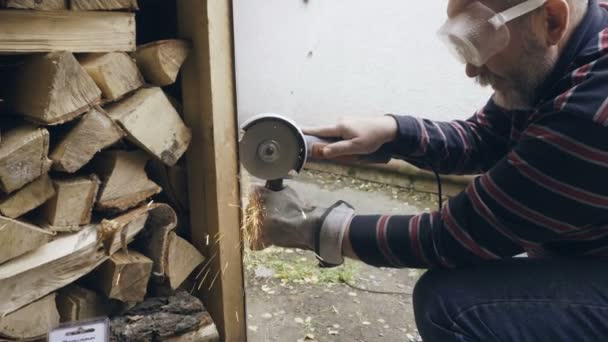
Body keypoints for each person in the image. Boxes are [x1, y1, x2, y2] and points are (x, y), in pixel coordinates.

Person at [250, 0, 608, 340]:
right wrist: (390, 133)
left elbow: (456, 236)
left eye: (482, 40)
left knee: (454, 305)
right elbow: (484, 138)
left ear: (552, 20)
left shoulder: (590, 114)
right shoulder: (571, 44)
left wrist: (305, 228)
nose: (471, 68)